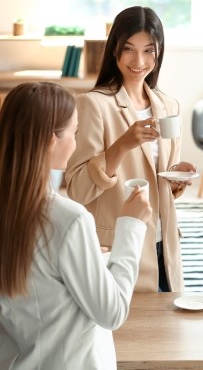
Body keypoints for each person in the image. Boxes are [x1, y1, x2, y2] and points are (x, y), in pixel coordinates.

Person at [0, 82, 152, 369]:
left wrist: (88, 254)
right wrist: (130, 228)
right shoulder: (69, 219)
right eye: (74, 132)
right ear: (50, 140)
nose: (77, 141)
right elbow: (112, 312)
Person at [65, 6, 196, 292]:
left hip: (164, 244)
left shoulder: (168, 106)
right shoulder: (93, 105)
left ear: (159, 52)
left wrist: (176, 178)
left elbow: (157, 177)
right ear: (114, 50)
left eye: (149, 50)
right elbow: (78, 190)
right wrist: (123, 144)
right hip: (118, 246)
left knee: (167, 333)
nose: (139, 60)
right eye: (129, 49)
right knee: (125, 333)